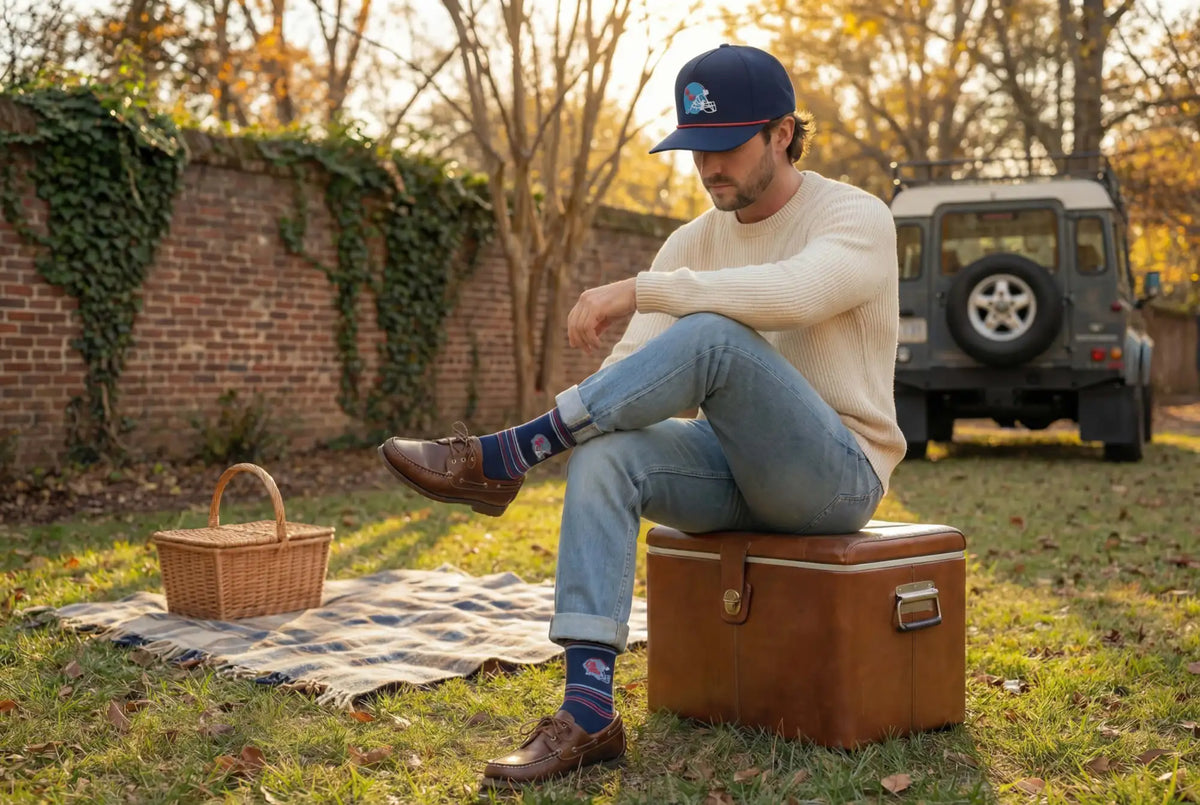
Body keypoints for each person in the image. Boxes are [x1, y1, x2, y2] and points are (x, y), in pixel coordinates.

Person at [378, 43, 906, 789]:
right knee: (605, 451)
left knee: (714, 333)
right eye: (696, 149)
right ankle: (589, 711)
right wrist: (622, 357)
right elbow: (627, 376)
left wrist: (641, 287)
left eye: (726, 146)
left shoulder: (856, 216)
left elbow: (797, 293)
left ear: (782, 134)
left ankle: (506, 456)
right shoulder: (693, 241)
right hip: (733, 468)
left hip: (835, 476)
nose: (708, 167)